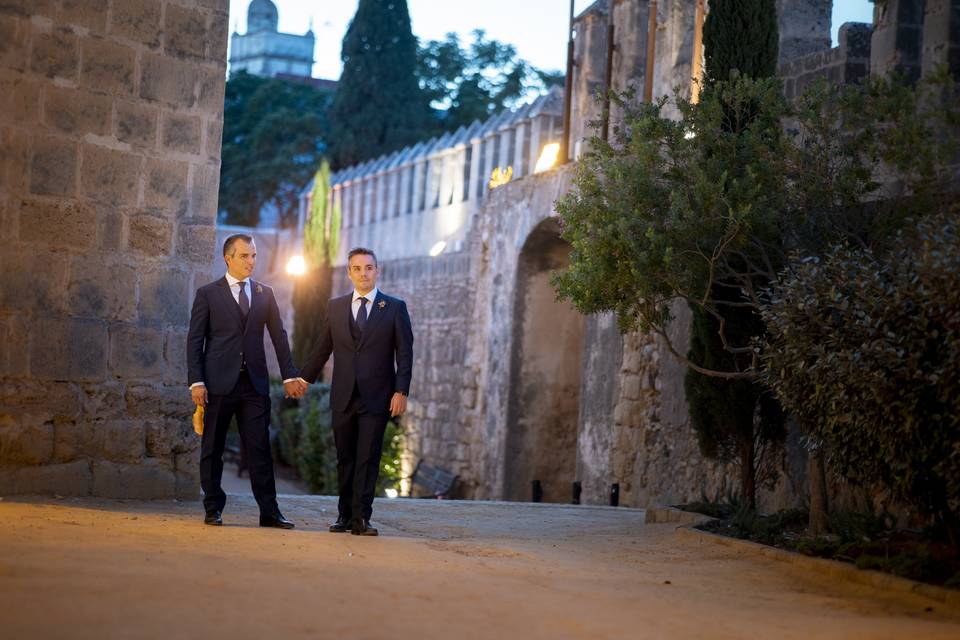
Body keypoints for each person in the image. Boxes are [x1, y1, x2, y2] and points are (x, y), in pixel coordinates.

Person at [187, 234, 306, 528]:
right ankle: (213, 508)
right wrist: (196, 382)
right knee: (212, 448)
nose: (251, 261)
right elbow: (195, 340)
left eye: (253, 256)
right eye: (244, 256)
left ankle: (270, 512)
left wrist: (290, 374)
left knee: (259, 449)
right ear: (228, 258)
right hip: (217, 385)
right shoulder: (208, 294)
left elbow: (279, 337)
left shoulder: (265, 293)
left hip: (254, 385)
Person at [299, 247, 413, 536]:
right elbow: (323, 348)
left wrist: (401, 391)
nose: (363, 273)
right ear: (349, 272)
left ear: (377, 271)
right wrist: (303, 379)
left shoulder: (394, 308)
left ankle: (362, 518)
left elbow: (405, 354)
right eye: (358, 268)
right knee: (345, 458)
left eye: (369, 268)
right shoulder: (335, 307)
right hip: (343, 395)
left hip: (378, 397)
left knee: (368, 457)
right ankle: (344, 516)